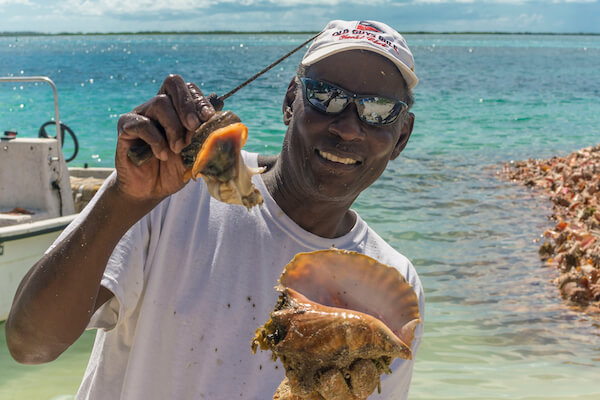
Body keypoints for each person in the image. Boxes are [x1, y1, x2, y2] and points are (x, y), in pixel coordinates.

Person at [6, 20, 424, 400]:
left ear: (401, 137)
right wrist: (124, 200)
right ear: (291, 102)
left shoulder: (395, 283)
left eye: (376, 110)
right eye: (326, 96)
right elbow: (30, 343)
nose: (348, 126)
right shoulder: (179, 187)